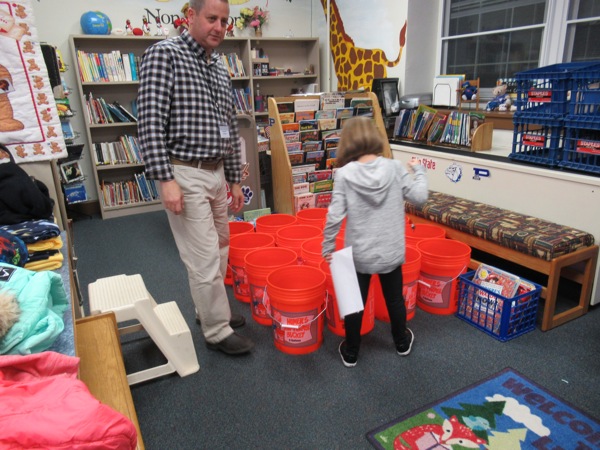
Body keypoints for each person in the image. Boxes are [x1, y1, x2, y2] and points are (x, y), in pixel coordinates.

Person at [137, 0, 254, 356]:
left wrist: (234, 179)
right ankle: (216, 330)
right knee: (202, 256)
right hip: (183, 171)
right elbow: (149, 121)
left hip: (217, 171)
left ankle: (210, 311)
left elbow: (229, 129)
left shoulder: (219, 67)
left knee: (220, 247)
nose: (219, 27)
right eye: (211, 18)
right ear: (191, 17)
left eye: (224, 20)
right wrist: (164, 178)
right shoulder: (165, 55)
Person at [321, 116, 428, 367]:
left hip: (359, 255)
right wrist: (419, 169)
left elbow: (334, 215)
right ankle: (401, 342)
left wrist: (328, 247)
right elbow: (420, 197)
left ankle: (351, 352)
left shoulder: (345, 175)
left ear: (348, 143)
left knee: (353, 302)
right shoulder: (395, 168)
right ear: (374, 138)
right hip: (391, 252)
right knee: (394, 299)